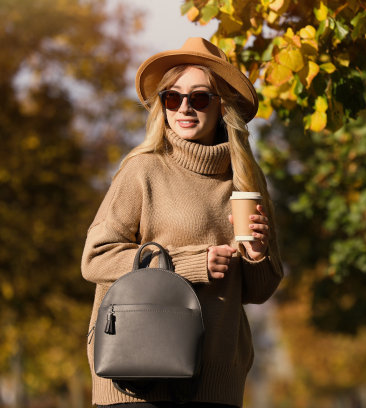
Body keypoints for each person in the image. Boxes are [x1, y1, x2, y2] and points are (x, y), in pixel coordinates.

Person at [81, 38, 283, 408]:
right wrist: (190, 265)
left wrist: (256, 255)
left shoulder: (245, 181)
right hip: (138, 373)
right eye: (172, 98)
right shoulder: (142, 170)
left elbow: (257, 291)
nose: (184, 107)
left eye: (200, 97)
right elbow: (95, 258)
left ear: (223, 106)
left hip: (215, 380)